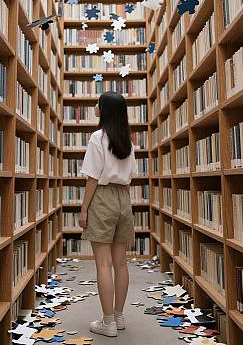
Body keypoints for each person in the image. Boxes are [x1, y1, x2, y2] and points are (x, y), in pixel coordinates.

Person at [78, 91, 136, 338]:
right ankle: (120, 316)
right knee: (121, 263)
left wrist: (84, 208)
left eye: (98, 103)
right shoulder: (127, 140)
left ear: (105, 110)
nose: (95, 105)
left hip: (102, 197)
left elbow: (92, 177)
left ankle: (108, 322)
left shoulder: (97, 138)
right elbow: (128, 179)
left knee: (103, 263)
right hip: (123, 198)